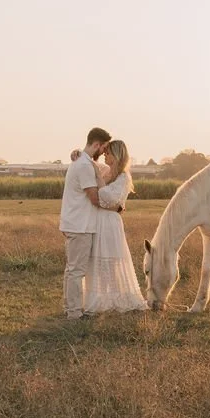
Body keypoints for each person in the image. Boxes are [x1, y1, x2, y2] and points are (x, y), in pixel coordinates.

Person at [81, 140, 148, 315]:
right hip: (98, 220)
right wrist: (78, 154)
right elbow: (89, 166)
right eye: (105, 152)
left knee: (110, 261)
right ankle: (100, 300)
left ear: (117, 155)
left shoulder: (123, 177)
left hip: (110, 223)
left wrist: (100, 185)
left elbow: (109, 198)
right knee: (97, 260)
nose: (105, 155)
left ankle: (116, 298)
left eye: (108, 153)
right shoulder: (107, 172)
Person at [59, 127, 113, 320]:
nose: (104, 152)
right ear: (97, 144)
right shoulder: (83, 166)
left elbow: (107, 171)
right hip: (79, 225)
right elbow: (94, 198)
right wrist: (115, 207)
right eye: (104, 148)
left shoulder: (83, 162)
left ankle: (70, 307)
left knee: (72, 269)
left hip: (76, 223)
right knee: (76, 270)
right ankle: (74, 312)